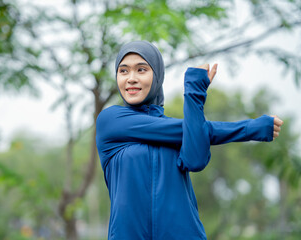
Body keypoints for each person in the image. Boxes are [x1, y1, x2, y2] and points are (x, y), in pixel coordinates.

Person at [96, 40, 283, 240]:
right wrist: (251, 128)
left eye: (141, 70)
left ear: (157, 76)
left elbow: (196, 161)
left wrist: (195, 92)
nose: (131, 78)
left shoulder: (189, 130)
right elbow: (193, 130)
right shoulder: (111, 121)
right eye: (123, 71)